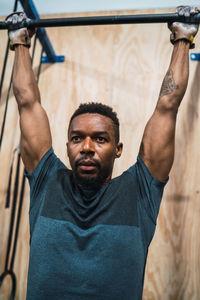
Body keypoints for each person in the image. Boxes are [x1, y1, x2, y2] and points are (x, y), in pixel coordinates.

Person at [5, 6, 199, 300]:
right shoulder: (47, 180)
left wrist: (182, 37)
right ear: (67, 144)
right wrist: (19, 41)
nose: (86, 148)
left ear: (118, 149)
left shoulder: (139, 191)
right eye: (76, 138)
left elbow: (167, 107)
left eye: (100, 139)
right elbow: (27, 104)